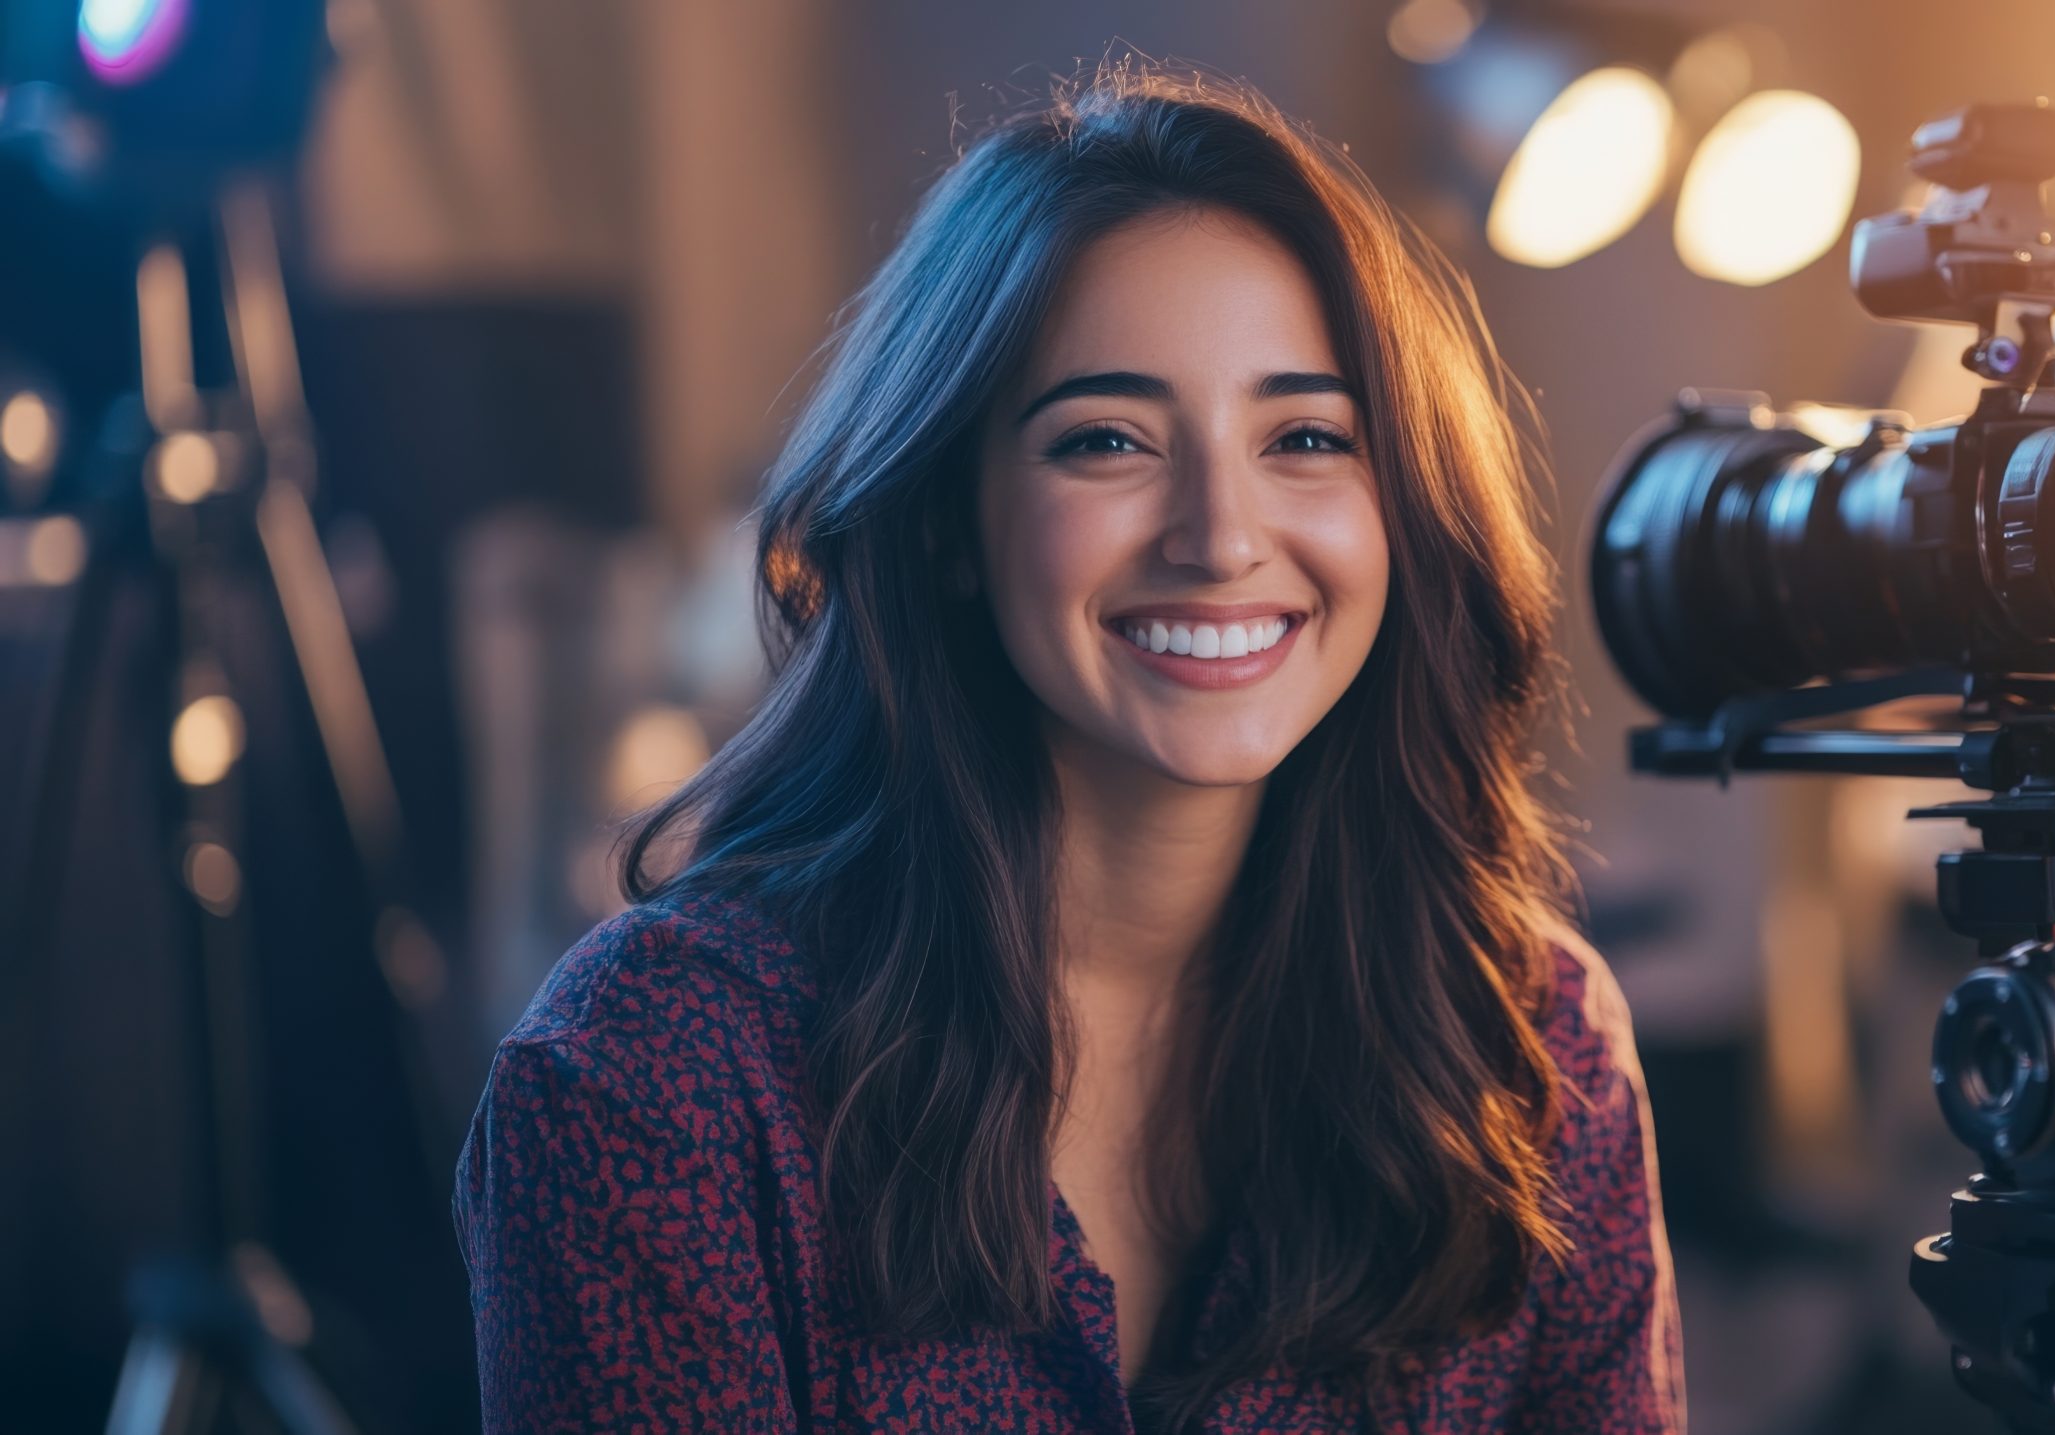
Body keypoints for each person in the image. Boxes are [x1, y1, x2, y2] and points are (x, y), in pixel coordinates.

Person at [454, 63, 1682, 1435]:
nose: (1220, 536)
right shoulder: (657, 1073)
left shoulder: (1530, 1044)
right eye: (1106, 440)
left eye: (1306, 438)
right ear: (944, 523)